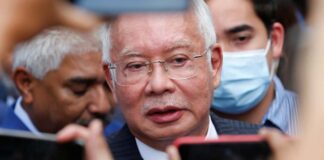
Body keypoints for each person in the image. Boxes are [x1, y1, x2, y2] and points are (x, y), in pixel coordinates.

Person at [60, 1, 260, 160]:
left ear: (214, 64)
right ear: (111, 80)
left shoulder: (271, 150)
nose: (158, 85)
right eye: (136, 65)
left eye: (179, 60)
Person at [206, 0, 298, 135]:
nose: (222, 55)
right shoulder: (176, 129)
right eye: (210, 43)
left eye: (241, 38)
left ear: (275, 40)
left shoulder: (313, 120)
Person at [0, 27, 114, 134]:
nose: (103, 106)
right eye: (80, 89)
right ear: (26, 84)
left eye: (109, 86)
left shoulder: (122, 141)